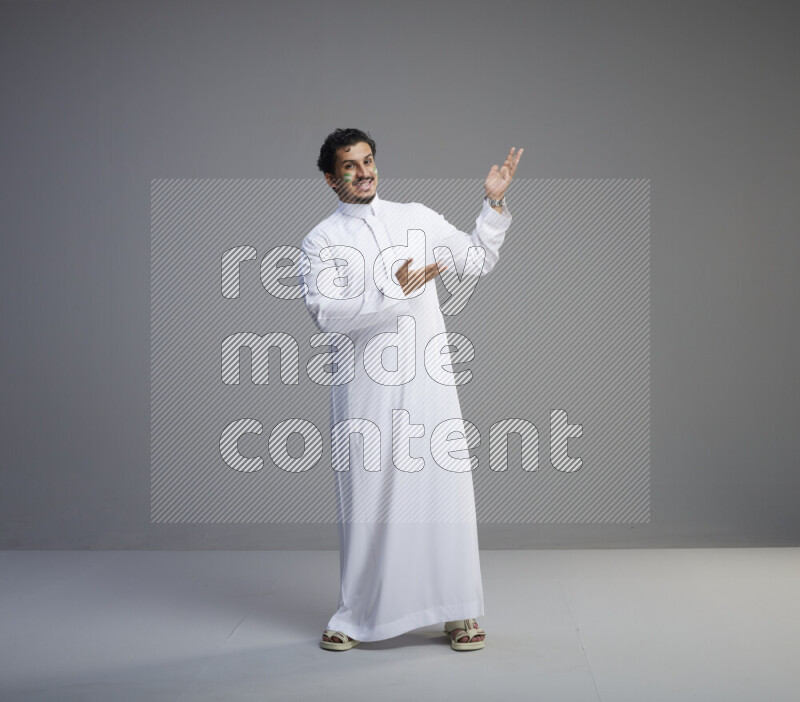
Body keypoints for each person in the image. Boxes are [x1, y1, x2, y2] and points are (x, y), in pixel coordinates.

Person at [300, 128, 522, 651]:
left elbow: (475, 260)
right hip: (365, 389)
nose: (363, 172)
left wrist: (493, 203)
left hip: (428, 381)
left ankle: (459, 611)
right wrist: (389, 293)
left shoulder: (415, 218)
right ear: (331, 178)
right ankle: (356, 614)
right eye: (349, 166)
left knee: (442, 494)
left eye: (368, 161)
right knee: (368, 495)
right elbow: (326, 315)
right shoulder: (322, 240)